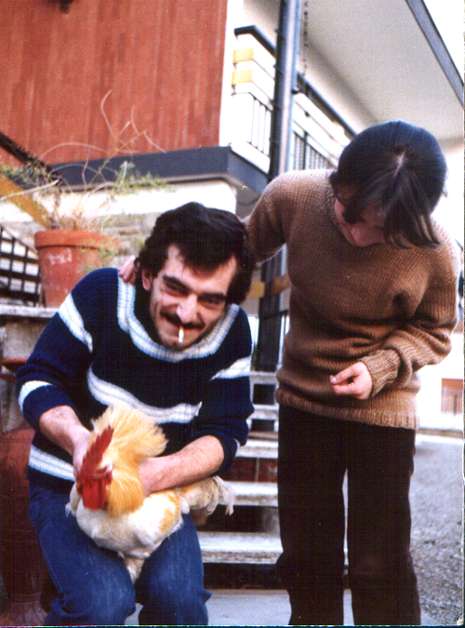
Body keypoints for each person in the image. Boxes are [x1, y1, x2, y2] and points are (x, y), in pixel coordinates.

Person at [244, 120, 459, 625]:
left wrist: (380, 367)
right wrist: (157, 261)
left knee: (378, 563)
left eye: (380, 231)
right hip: (304, 400)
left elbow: (434, 330)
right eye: (349, 215)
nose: (360, 236)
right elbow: (233, 251)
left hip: (383, 410)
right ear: (338, 182)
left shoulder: (435, 250)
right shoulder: (294, 196)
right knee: (307, 555)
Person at [16, 202, 255, 626]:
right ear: (146, 275)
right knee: (102, 603)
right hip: (65, 482)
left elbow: (227, 430)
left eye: (210, 300)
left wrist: (155, 476)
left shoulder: (233, 331)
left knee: (180, 604)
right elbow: (38, 379)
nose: (187, 314)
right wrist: (79, 441)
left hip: (161, 494)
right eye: (176, 288)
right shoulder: (102, 294)